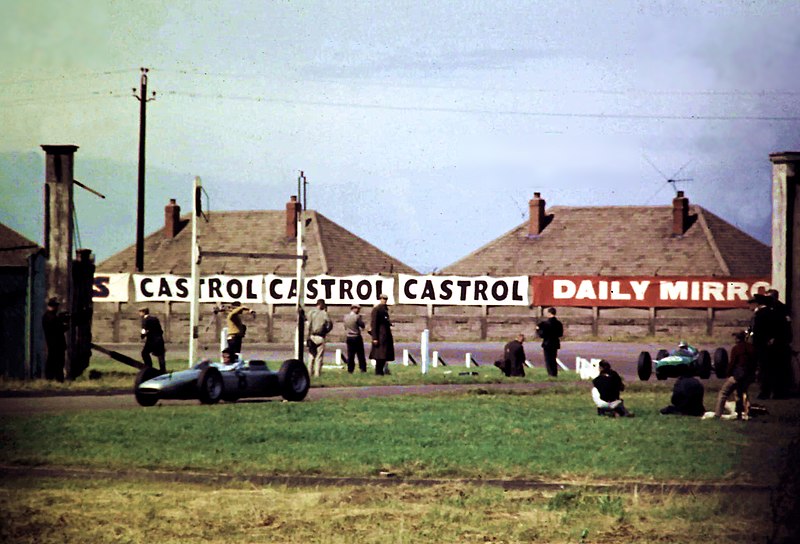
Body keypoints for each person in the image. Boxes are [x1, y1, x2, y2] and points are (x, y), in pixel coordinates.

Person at [712, 331, 757, 419]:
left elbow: (732, 363)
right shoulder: (751, 348)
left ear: (737, 339)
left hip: (738, 376)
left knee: (723, 393)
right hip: (748, 376)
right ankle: (742, 413)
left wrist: (728, 373)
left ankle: (718, 414)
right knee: (741, 393)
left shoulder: (736, 348)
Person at [748, 293, 775, 399]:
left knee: (764, 369)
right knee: (768, 368)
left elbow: (758, 331)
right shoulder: (771, 313)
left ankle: (765, 391)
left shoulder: (760, 314)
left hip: (761, 345)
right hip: (767, 344)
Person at [766, 288, 793, 399]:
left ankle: (778, 392)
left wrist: (774, 338)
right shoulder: (779, 308)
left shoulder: (777, 309)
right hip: (780, 342)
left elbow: (782, 326)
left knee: (776, 369)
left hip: (778, 343)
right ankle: (778, 391)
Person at [42, 297, 68, 382]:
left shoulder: (50, 316)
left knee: (55, 361)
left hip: (56, 343)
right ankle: (56, 378)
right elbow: (58, 328)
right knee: (57, 362)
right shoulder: (49, 317)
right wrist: (64, 323)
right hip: (55, 343)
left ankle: (53, 378)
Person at [369, 293, 394, 376]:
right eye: (382, 299)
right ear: (380, 299)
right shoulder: (377, 309)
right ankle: (378, 372)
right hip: (380, 336)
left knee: (384, 355)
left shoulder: (385, 309)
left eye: (385, 299)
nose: (384, 300)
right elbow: (374, 324)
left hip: (385, 335)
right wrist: (374, 337)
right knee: (379, 355)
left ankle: (381, 371)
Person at [306, 299, 333, 377]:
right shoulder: (324, 314)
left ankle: (309, 373)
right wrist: (326, 331)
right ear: (322, 305)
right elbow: (330, 324)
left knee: (311, 356)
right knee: (319, 356)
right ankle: (317, 373)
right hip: (320, 336)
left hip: (311, 335)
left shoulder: (310, 313)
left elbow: (306, 322)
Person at [536, 307, 563, 377]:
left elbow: (542, 335)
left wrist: (538, 330)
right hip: (555, 343)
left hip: (547, 343)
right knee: (553, 359)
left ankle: (550, 374)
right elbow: (560, 334)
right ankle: (554, 373)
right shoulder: (559, 323)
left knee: (548, 360)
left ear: (549, 313)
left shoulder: (545, 324)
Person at [138, 307, 166, 373]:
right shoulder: (155, 319)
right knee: (160, 355)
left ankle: (148, 366)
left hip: (151, 340)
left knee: (144, 353)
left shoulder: (145, 319)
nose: (139, 314)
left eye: (140, 312)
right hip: (159, 339)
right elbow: (160, 330)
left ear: (143, 312)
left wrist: (142, 336)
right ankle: (163, 370)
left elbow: (144, 330)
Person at [343, 304, 367, 373]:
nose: (359, 310)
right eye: (358, 309)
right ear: (354, 308)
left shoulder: (345, 317)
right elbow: (362, 325)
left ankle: (350, 369)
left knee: (350, 354)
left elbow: (345, 327)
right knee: (360, 354)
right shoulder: (357, 317)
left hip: (349, 337)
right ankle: (362, 368)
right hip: (356, 337)